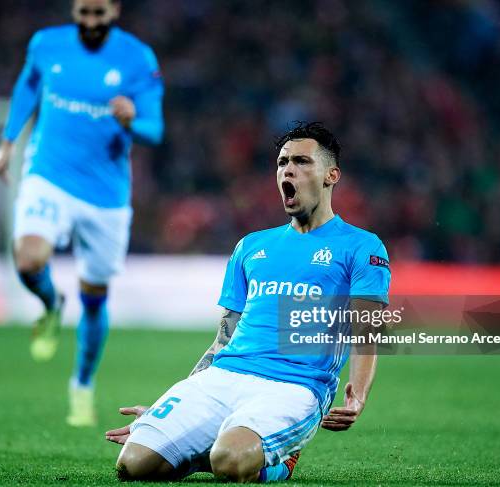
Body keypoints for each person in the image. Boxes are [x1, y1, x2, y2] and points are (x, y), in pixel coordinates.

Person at [105, 122, 391, 482]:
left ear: (331, 175)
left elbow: (367, 330)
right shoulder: (251, 246)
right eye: (282, 162)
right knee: (134, 464)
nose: (288, 169)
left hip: (295, 386)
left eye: (302, 161)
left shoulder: (361, 247)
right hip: (225, 376)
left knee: (231, 463)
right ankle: (209, 447)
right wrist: (174, 408)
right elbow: (225, 337)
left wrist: (358, 394)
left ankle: (278, 463)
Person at [0, 0, 164, 427]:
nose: (89, 22)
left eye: (98, 14)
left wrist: (131, 121)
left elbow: (154, 129)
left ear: (115, 10)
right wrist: (9, 140)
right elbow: (28, 85)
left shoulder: (137, 58)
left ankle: (82, 385)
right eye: (82, 12)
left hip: (106, 196)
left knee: (94, 298)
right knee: (29, 258)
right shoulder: (46, 44)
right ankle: (50, 304)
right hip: (48, 174)